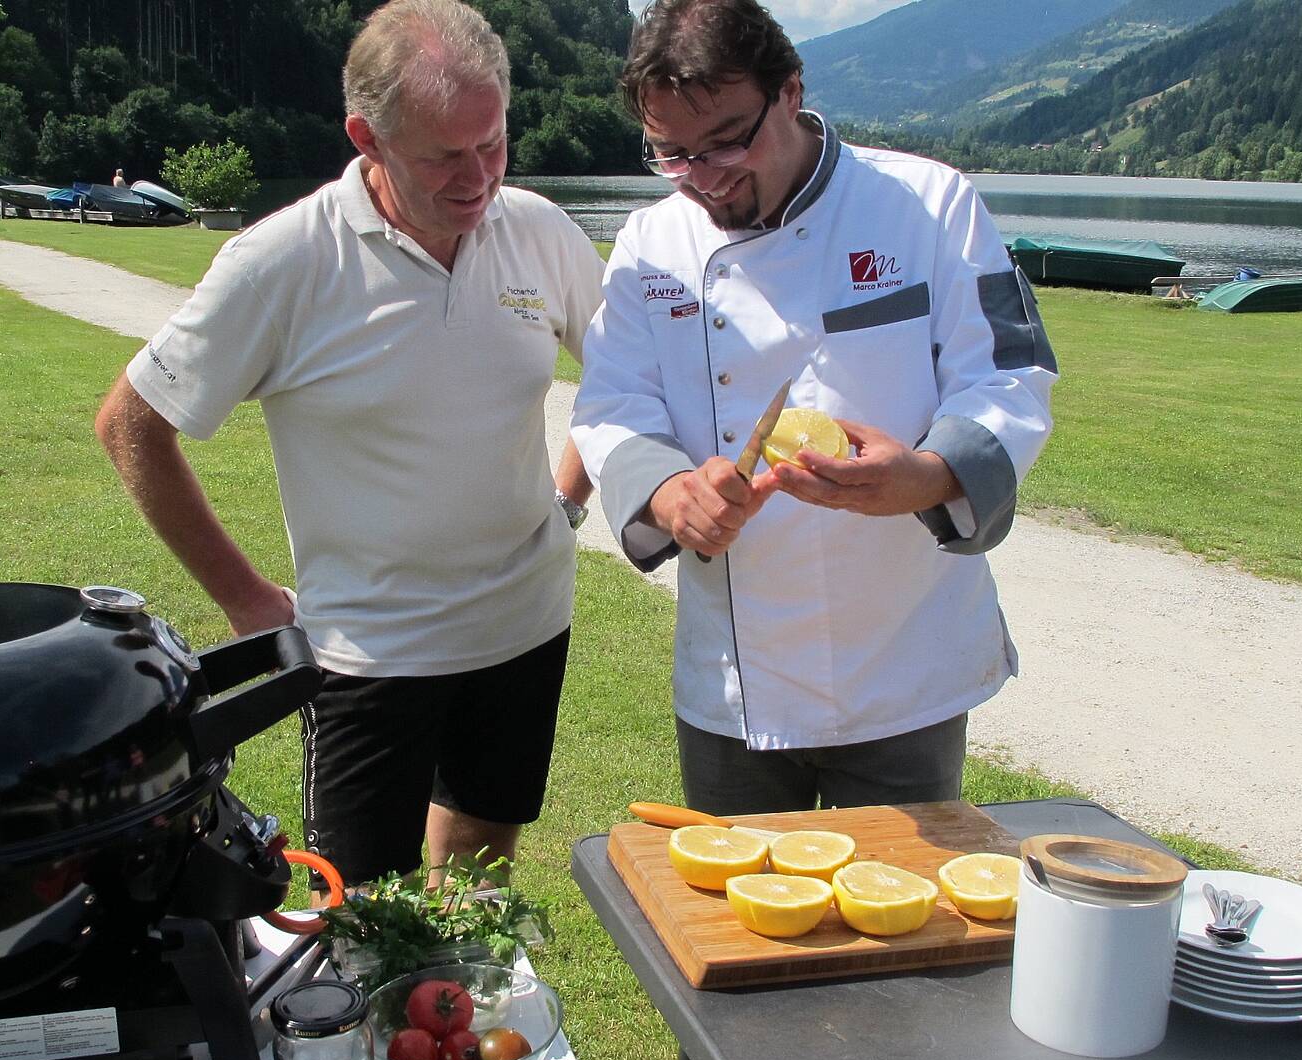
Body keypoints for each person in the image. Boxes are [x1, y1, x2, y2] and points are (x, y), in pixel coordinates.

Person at [95, 0, 602, 887]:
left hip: (525, 626)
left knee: (481, 872)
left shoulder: (538, 230)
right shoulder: (282, 262)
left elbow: (627, 371)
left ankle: (457, 1011)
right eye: (446, 155)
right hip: (370, 651)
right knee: (357, 903)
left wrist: (567, 501)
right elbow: (131, 425)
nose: (479, 177)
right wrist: (248, 600)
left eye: (494, 143)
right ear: (367, 137)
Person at [570, 0, 1057, 816]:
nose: (706, 175)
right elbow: (613, 399)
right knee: (746, 919)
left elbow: (1009, 374)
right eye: (673, 154)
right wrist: (666, 493)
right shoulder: (652, 243)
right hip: (735, 676)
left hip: (906, 660)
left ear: (791, 90)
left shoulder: (925, 204)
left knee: (900, 922)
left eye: (728, 138)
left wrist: (931, 475)